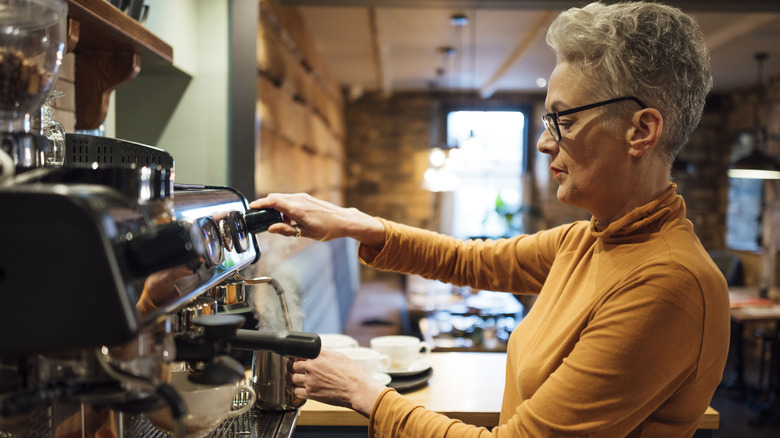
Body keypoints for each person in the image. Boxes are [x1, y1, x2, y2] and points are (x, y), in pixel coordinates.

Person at [249, 1, 730, 436]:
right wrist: (353, 222)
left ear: (640, 131)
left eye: (564, 119)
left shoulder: (667, 282)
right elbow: (469, 260)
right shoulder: (589, 240)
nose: (545, 143)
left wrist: (367, 394)